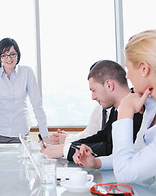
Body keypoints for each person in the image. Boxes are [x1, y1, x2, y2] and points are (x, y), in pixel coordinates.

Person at [74, 30, 156, 183]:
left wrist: (125, 112)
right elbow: (137, 154)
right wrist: (97, 163)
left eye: (128, 68)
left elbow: (126, 173)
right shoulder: (150, 107)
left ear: (144, 69)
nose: (127, 76)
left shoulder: (135, 106)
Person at [60, 60, 143, 163]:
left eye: (94, 90)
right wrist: (68, 147)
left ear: (109, 85)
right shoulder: (115, 109)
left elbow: (112, 149)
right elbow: (102, 136)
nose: (93, 97)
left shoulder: (138, 109)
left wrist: (66, 150)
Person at [0, 38, 48, 145]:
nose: (9, 58)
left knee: (22, 161)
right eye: (4, 55)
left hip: (21, 133)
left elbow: (37, 105)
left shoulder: (27, 72)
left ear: (18, 55)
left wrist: (44, 135)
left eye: (13, 54)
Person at [41, 61, 113, 159]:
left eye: (94, 90)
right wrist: (66, 143)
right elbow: (93, 136)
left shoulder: (127, 110)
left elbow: (108, 148)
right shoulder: (102, 109)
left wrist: (65, 148)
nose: (93, 97)